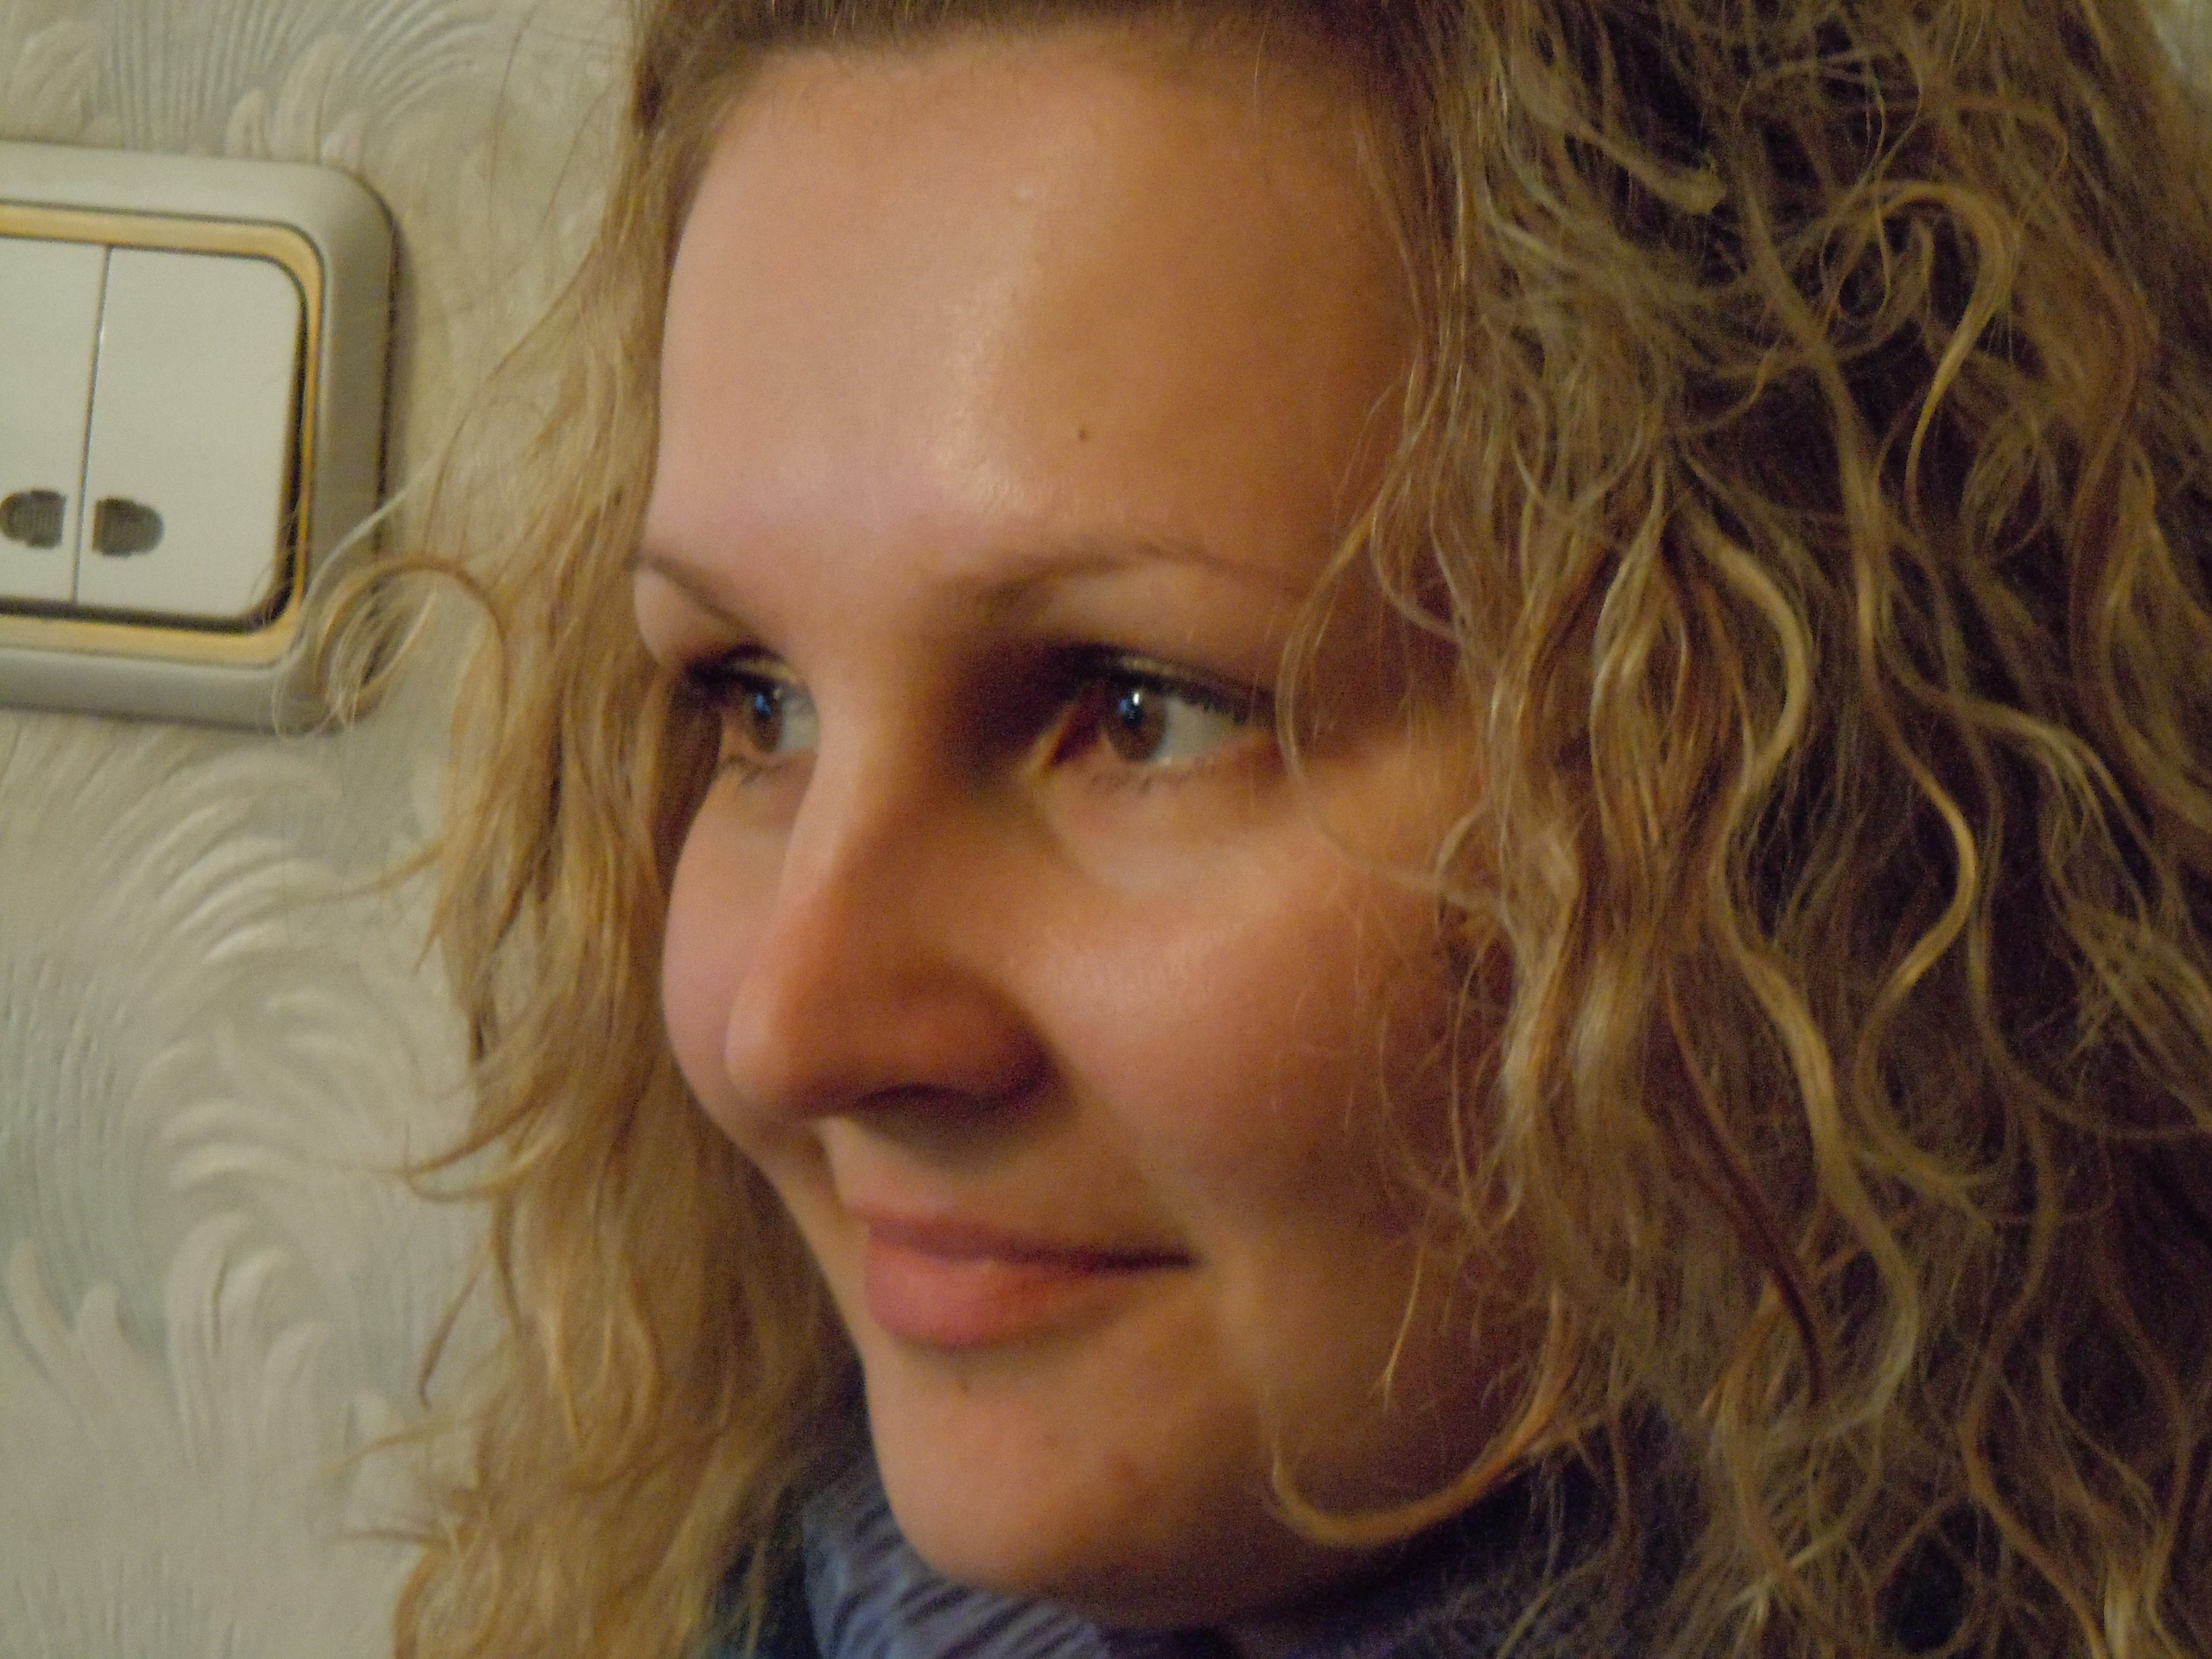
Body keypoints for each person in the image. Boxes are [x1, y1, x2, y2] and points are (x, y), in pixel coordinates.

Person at [388, 1, 2212, 1656]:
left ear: (1798, 801)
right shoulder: (781, 1588)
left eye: (1138, 711)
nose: (788, 1029)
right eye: (754, 703)